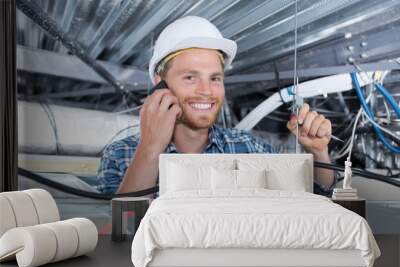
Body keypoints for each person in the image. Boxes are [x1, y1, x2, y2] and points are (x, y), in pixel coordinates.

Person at [97, 16, 336, 196]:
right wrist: (150, 149)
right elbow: (121, 234)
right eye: (190, 77)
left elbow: (315, 194)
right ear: (161, 86)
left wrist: (317, 152)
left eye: (215, 78)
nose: (206, 91)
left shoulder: (248, 148)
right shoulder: (121, 155)